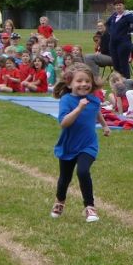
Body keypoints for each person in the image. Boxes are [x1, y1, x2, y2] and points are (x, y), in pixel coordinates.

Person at [50, 64, 110, 222]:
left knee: (83, 172)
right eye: (79, 81)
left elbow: (96, 111)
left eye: (87, 81)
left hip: (88, 144)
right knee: (65, 178)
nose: (84, 84)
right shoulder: (66, 100)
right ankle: (60, 202)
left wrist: (104, 125)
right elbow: (64, 123)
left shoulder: (94, 100)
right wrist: (79, 108)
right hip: (68, 145)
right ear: (70, 84)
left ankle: (90, 207)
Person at [106, 0, 133, 77]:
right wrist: (110, 31)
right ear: (114, 7)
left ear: (123, 6)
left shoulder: (127, 16)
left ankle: (127, 83)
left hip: (123, 43)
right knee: (116, 64)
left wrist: (130, 30)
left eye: (120, 5)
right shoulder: (114, 15)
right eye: (116, 5)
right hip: (113, 44)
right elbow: (107, 24)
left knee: (123, 64)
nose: (118, 7)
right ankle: (117, 83)